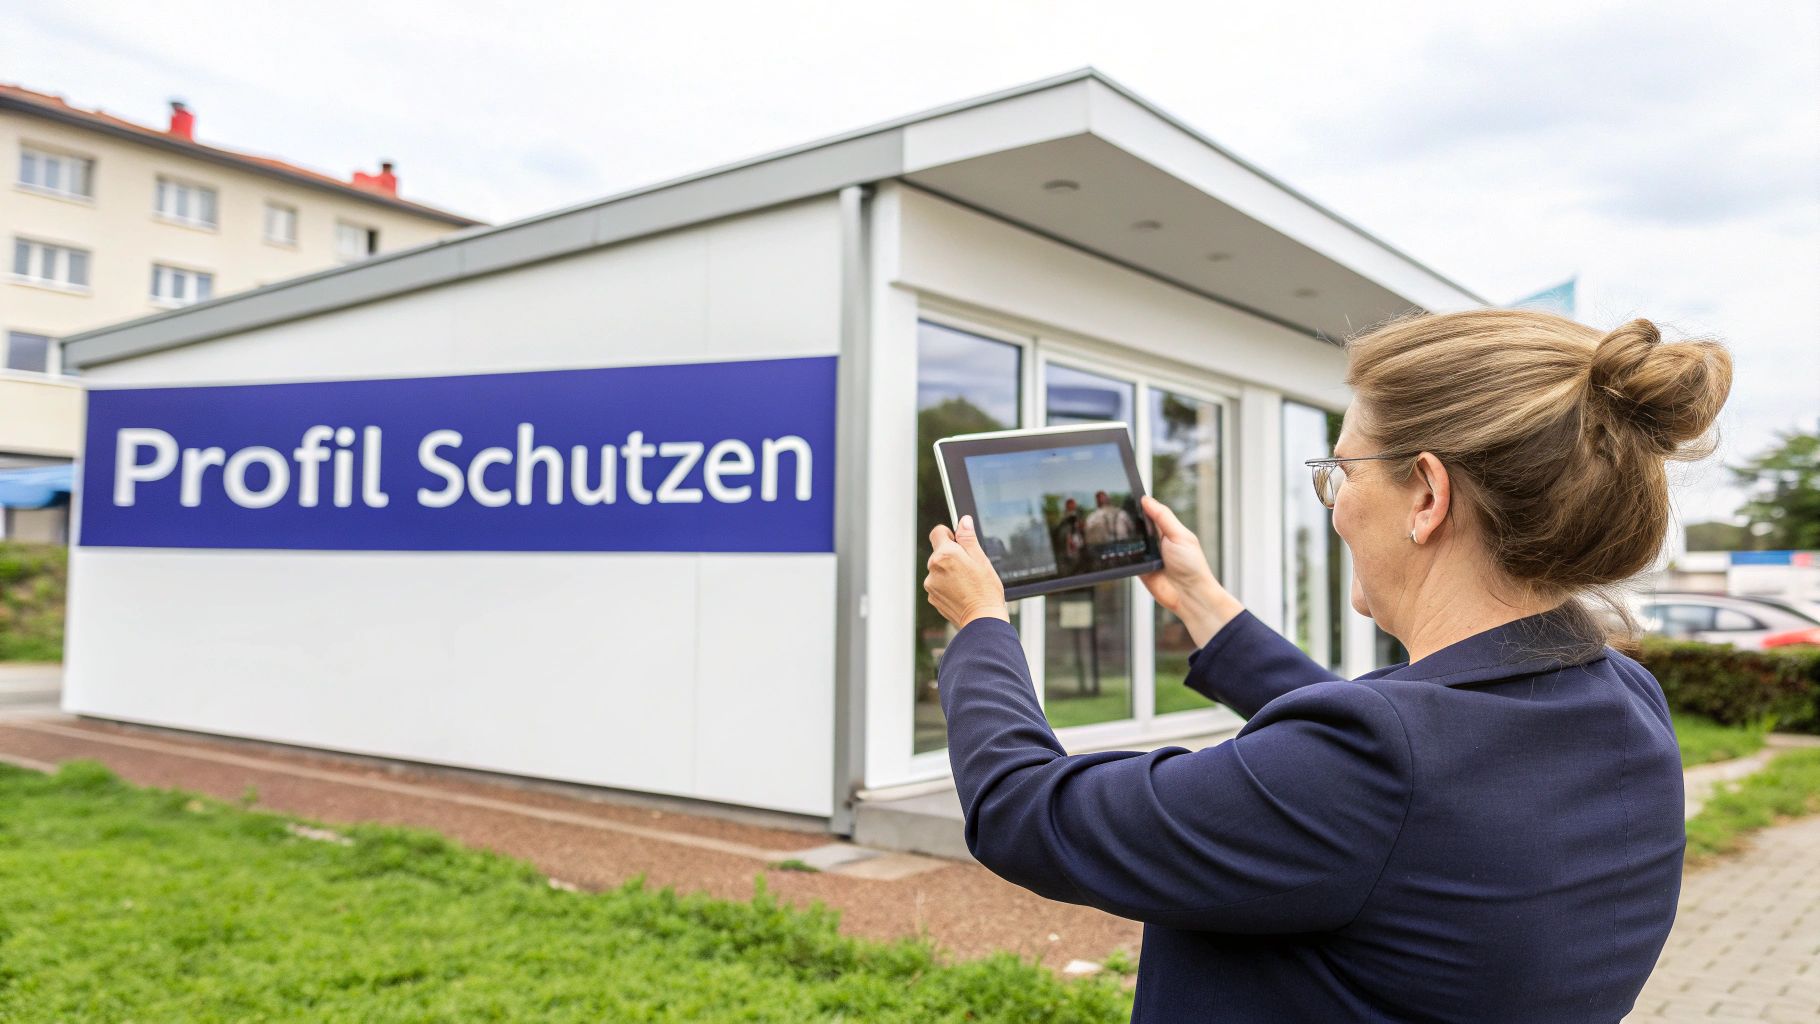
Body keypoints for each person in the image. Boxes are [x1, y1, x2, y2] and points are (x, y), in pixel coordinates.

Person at [922, 310, 1730, 1023]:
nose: (1334, 501)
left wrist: (982, 627)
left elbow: (1024, 812)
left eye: (1342, 471)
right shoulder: (1624, 700)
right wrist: (1203, 603)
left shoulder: (1375, 771)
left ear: (1427, 497)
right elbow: (1400, 758)